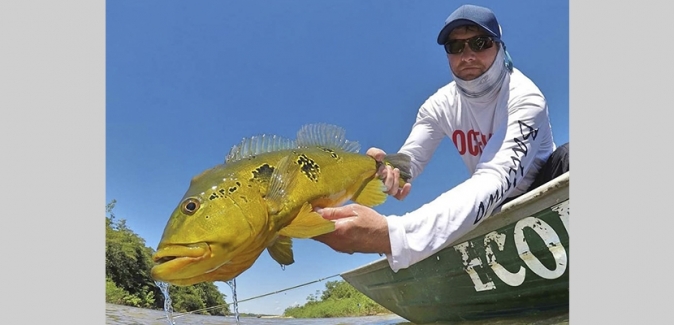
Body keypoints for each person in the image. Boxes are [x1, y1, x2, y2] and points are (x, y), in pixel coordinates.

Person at [313, 4, 569, 272]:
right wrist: (387, 171)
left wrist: (393, 235)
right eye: (455, 47)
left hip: (544, 188)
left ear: (500, 46)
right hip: (491, 204)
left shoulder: (526, 97)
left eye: (480, 43)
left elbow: (496, 177)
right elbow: (409, 162)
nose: (467, 55)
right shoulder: (437, 106)